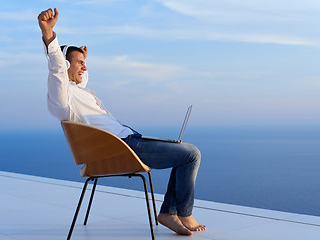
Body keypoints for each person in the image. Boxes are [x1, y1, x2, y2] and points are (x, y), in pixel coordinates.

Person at [38, 8, 206, 235]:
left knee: (182, 151)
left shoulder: (77, 92)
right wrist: (49, 34)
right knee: (191, 154)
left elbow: (80, 77)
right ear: (66, 66)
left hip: (127, 140)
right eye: (78, 63)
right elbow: (58, 68)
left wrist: (82, 60)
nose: (84, 68)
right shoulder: (62, 97)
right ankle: (182, 213)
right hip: (121, 147)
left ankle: (170, 211)